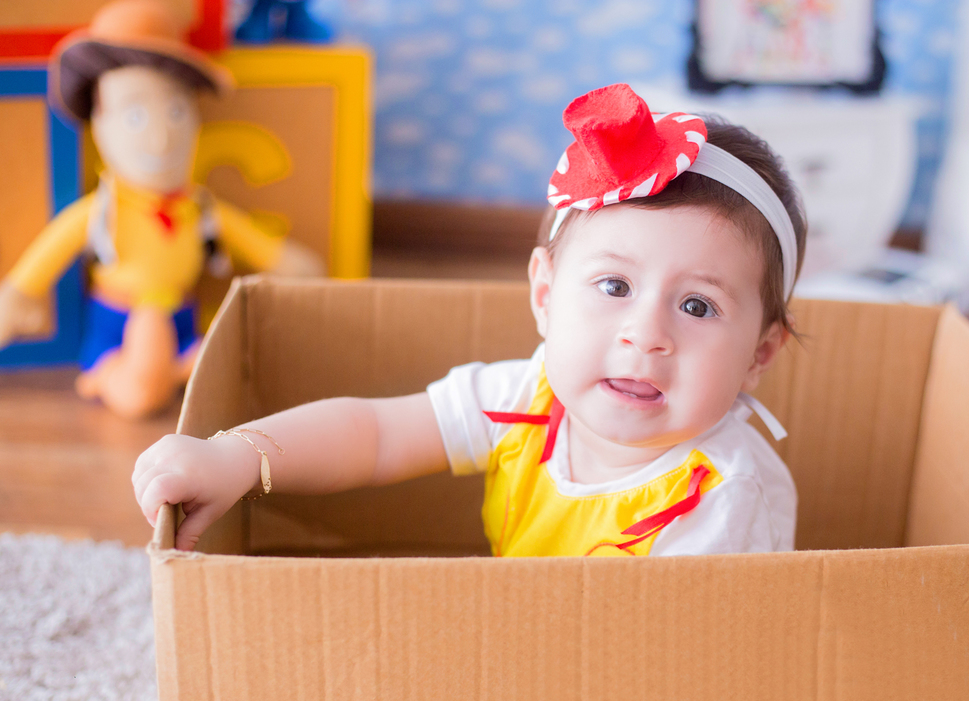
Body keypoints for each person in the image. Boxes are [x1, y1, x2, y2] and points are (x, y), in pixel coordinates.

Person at [133, 83, 807, 556]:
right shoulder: (529, 399)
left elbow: (681, 674)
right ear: (545, 294)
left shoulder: (723, 501)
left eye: (698, 305)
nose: (646, 334)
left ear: (759, 354)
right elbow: (376, 433)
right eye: (614, 285)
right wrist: (237, 458)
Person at [0, 0, 323, 419]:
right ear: (100, 121)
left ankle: (170, 370)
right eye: (135, 116)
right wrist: (18, 293)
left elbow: (252, 240)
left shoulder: (199, 206)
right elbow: (53, 248)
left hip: (183, 320)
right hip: (118, 326)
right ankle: (135, 376)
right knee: (148, 349)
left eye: (175, 111)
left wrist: (284, 261)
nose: (162, 136)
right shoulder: (103, 210)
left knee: (242, 362)